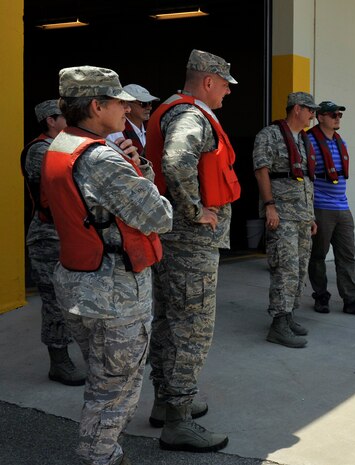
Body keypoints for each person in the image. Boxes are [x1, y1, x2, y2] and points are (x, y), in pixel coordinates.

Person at [41, 66, 173, 465]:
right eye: (119, 102)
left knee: (103, 379)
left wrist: (137, 167)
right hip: (113, 292)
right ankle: (99, 456)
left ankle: (101, 451)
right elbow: (159, 216)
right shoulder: (102, 158)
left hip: (78, 282)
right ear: (97, 106)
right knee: (116, 387)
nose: (127, 108)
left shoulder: (62, 145)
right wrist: (141, 175)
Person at [146, 49, 240, 452]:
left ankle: (167, 403)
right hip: (189, 242)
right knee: (192, 328)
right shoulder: (191, 116)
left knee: (169, 320)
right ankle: (179, 421)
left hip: (171, 239)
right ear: (207, 82)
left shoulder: (172, 111)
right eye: (224, 85)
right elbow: (175, 160)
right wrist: (193, 209)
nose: (227, 93)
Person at [20, 99, 86, 386]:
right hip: (47, 235)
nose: (68, 122)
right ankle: (59, 362)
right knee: (55, 301)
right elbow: (61, 187)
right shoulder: (40, 151)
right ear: (50, 120)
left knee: (74, 297)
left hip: (65, 232)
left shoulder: (58, 149)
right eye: (63, 117)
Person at [253, 92, 319, 348]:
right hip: (282, 214)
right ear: (297, 109)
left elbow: (306, 180)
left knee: (300, 268)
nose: (313, 115)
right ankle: (278, 323)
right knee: (285, 267)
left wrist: (311, 215)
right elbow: (261, 172)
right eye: (310, 110)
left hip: (302, 216)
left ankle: (289, 314)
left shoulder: (303, 140)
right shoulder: (268, 135)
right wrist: (269, 206)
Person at [306, 101, 355, 318]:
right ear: (320, 117)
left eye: (339, 115)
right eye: (333, 114)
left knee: (347, 255)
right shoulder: (308, 141)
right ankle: (321, 296)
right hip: (320, 207)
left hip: (341, 206)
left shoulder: (340, 142)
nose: (337, 118)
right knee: (318, 255)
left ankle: (352, 301)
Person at [107, 84, 159, 156]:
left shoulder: (152, 129)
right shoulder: (115, 132)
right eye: (144, 104)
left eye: (150, 103)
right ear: (126, 104)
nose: (149, 108)